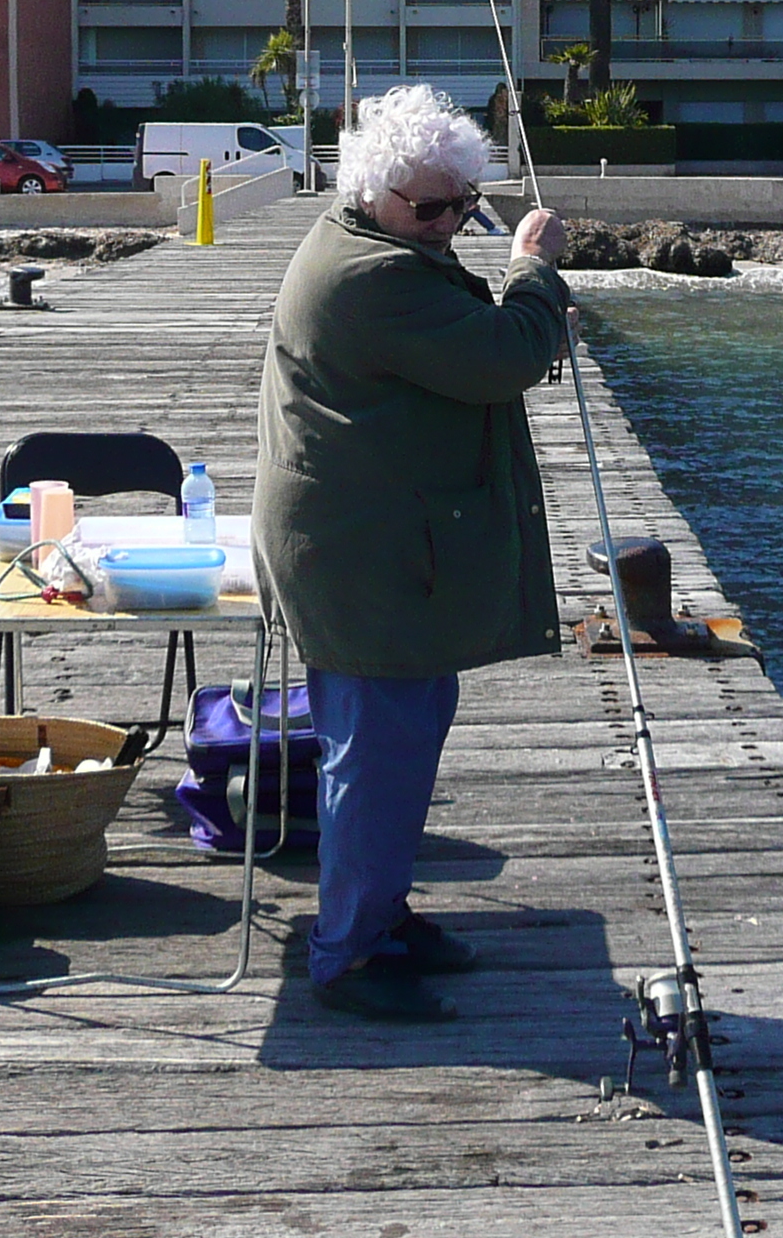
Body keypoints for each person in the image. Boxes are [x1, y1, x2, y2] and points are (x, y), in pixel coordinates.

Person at [256, 84, 572, 1023]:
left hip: (376, 540)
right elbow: (502, 355)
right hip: (361, 555)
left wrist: (509, 279)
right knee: (376, 751)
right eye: (427, 207)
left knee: (404, 729)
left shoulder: (370, 242)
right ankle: (348, 955)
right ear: (373, 191)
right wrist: (533, 270)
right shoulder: (374, 277)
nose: (445, 223)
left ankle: (380, 915)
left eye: (459, 206)